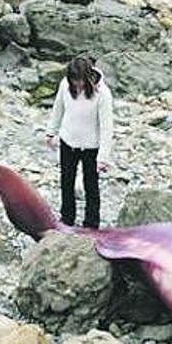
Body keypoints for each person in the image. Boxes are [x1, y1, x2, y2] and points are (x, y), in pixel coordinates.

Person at [45, 56, 114, 229]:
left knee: (91, 185)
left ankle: (91, 224)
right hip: (68, 142)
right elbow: (58, 108)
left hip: (91, 147)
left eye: (81, 81)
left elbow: (107, 127)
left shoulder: (103, 94)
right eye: (74, 81)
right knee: (66, 182)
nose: (78, 85)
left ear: (88, 77)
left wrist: (103, 157)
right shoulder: (64, 85)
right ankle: (67, 219)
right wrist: (51, 131)